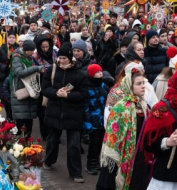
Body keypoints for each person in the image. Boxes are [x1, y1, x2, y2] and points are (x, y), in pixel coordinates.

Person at [97, 62, 151, 190]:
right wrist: (120, 155)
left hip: (139, 156)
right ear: (130, 85)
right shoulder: (122, 107)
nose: (143, 86)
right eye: (139, 84)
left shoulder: (144, 105)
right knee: (118, 185)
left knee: (137, 189)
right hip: (123, 156)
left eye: (144, 83)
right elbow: (112, 134)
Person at [42, 42, 90, 182]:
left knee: (74, 144)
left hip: (73, 113)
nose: (61, 61)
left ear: (70, 58)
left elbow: (83, 93)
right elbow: (45, 89)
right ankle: (49, 161)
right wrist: (56, 92)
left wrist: (68, 96)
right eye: (60, 58)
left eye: (64, 58)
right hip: (54, 111)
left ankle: (76, 172)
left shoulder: (79, 73)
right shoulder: (52, 69)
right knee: (52, 140)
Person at [9, 40, 41, 137]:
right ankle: (18, 146)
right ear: (25, 50)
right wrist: (36, 68)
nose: (33, 53)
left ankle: (27, 146)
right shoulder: (17, 59)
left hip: (29, 92)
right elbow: (20, 72)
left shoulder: (29, 59)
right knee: (20, 122)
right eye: (31, 50)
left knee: (28, 121)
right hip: (20, 92)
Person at [84, 63, 112, 175]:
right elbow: (85, 107)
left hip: (103, 119)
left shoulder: (103, 85)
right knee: (94, 142)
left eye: (100, 71)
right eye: (97, 72)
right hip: (92, 119)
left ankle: (96, 161)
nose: (100, 73)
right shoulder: (87, 88)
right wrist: (88, 123)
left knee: (101, 141)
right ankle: (90, 163)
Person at [0, 31, 18, 117]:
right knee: (5, 97)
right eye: (10, 37)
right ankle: (9, 115)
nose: (11, 39)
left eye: (13, 37)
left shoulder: (17, 48)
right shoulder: (1, 49)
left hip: (15, 75)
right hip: (3, 75)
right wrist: (5, 67)